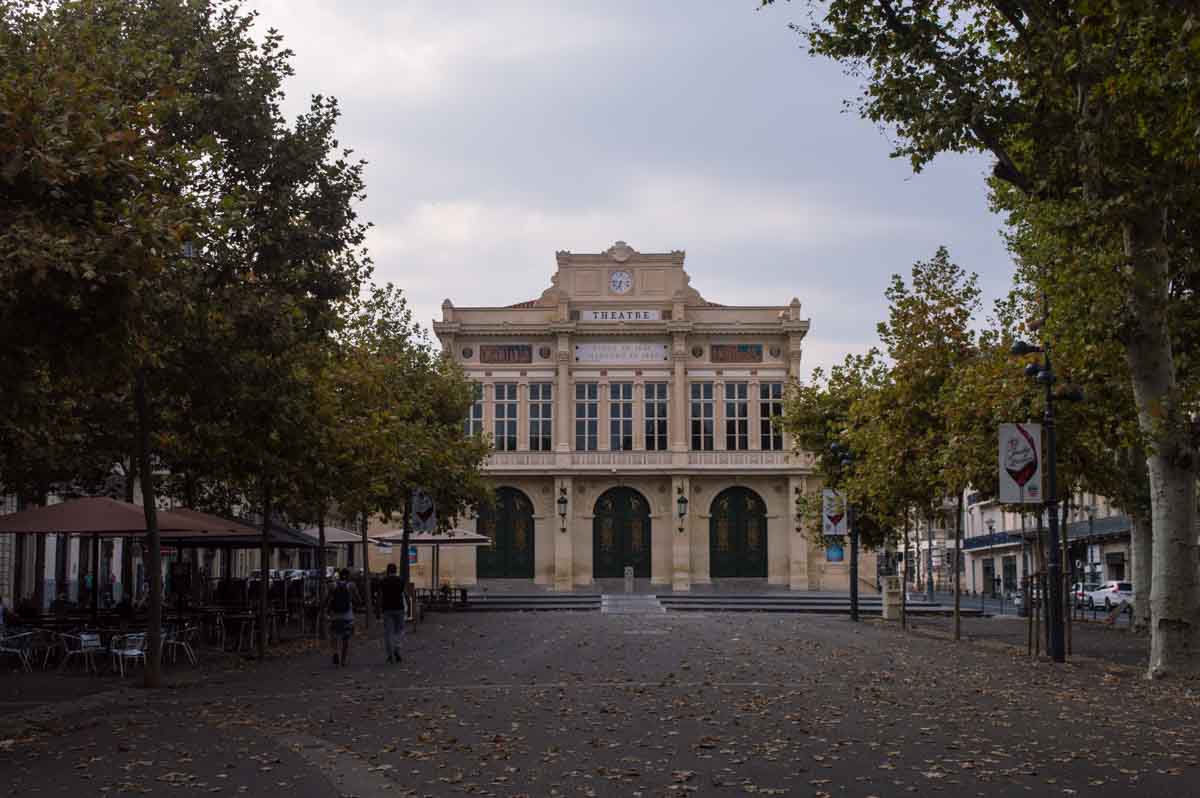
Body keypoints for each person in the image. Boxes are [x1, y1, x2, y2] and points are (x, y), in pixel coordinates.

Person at [324, 569, 359, 666]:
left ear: (339, 575)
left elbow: (327, 599)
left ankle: (335, 652)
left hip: (335, 615)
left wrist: (325, 609)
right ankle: (343, 660)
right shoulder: (352, 585)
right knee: (346, 638)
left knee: (333, 635)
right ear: (348, 576)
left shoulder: (332, 585)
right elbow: (357, 599)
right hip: (348, 616)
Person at [376, 563, 407, 664]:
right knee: (400, 630)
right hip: (399, 608)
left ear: (387, 570)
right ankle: (397, 648)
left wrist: (378, 609)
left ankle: (390, 655)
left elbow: (380, 596)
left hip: (387, 609)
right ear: (396, 570)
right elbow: (404, 594)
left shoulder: (383, 581)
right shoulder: (401, 580)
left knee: (388, 633)